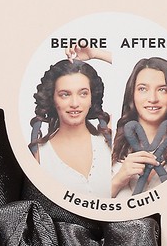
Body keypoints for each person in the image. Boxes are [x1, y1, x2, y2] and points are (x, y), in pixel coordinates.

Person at [111, 57, 167, 196]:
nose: (152, 98)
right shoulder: (108, 150)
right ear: (132, 94)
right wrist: (118, 180)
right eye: (143, 89)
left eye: (162, 90)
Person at [28, 57, 113, 197]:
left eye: (83, 93)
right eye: (65, 95)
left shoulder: (110, 142)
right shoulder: (39, 155)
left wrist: (96, 53)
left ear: (92, 98)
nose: (74, 103)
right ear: (52, 99)